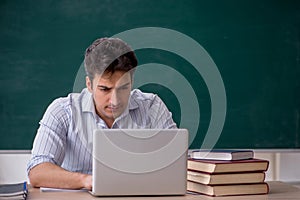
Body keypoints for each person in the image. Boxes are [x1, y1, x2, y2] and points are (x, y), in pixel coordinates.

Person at [27, 37, 177, 190]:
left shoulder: (152, 106)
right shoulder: (63, 111)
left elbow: (176, 163)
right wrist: (88, 181)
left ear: (132, 82)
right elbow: (38, 172)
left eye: (123, 88)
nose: (115, 101)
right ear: (89, 85)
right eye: (105, 89)